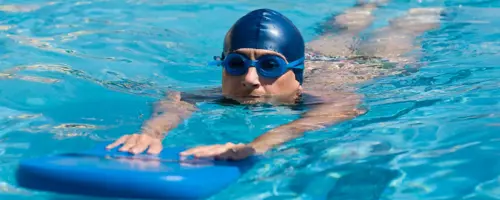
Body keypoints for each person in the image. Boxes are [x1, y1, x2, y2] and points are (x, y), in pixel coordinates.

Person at [106, 1, 442, 160]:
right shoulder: (224, 92)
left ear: (295, 75)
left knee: (403, 29)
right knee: (339, 30)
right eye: (237, 64)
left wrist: (257, 145)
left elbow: (339, 109)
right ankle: (368, 3)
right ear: (223, 66)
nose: (250, 80)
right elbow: (176, 98)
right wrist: (150, 132)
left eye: (269, 66)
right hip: (321, 57)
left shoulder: (323, 99)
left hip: (373, 65)